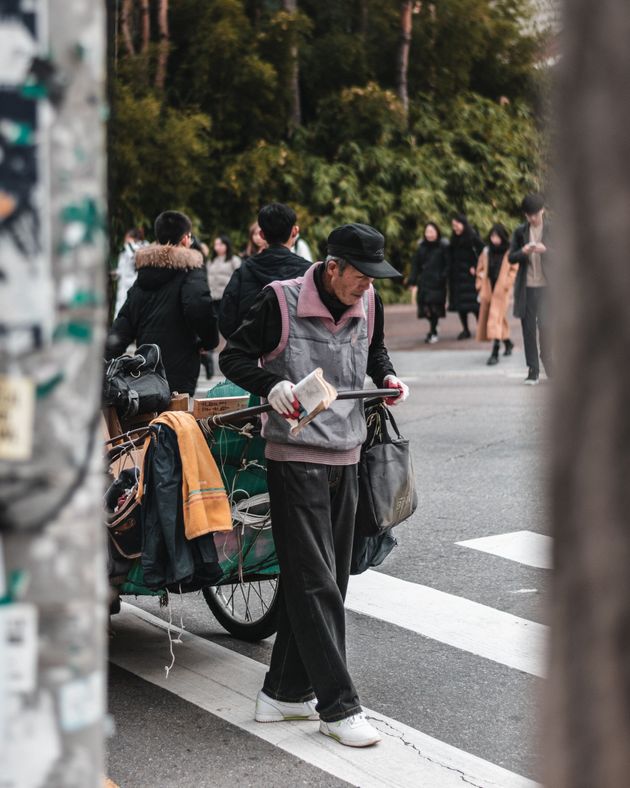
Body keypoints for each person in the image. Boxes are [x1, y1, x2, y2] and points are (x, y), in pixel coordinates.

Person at [219, 222, 409, 748]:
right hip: (294, 457)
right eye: (360, 277)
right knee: (313, 580)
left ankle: (282, 693)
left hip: (347, 456)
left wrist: (388, 380)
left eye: (374, 279)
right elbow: (232, 356)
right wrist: (270, 383)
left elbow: (376, 353)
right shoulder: (278, 301)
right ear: (332, 267)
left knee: (333, 579)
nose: (367, 287)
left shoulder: (369, 304)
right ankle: (338, 707)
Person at [106, 210, 218, 396]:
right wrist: (209, 341)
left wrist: (106, 358)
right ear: (185, 239)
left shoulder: (143, 276)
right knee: (175, 421)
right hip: (182, 362)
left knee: (150, 418)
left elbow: (124, 323)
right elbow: (198, 306)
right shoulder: (191, 270)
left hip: (146, 364)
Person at [219, 203, 310, 339]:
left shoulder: (244, 270)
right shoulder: (308, 272)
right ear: (295, 232)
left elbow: (226, 319)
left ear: (262, 234)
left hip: (252, 352)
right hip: (295, 354)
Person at [508, 193, 551, 385]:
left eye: (534, 214)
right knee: (528, 330)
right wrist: (523, 251)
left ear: (542, 210)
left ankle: (548, 362)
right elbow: (511, 257)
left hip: (548, 287)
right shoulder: (520, 232)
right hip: (527, 287)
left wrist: (547, 250)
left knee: (547, 327)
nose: (532, 218)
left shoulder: (553, 229)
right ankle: (532, 370)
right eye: (528, 215)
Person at [475, 223, 516, 365]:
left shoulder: (509, 252)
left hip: (501, 291)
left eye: (497, 236)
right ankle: (508, 343)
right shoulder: (486, 252)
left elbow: (514, 269)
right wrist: (480, 284)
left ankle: (495, 352)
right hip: (488, 289)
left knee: (494, 318)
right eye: (492, 236)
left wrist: (507, 283)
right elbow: (479, 268)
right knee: (498, 318)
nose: (494, 239)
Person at [407, 221, 449, 343]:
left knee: (434, 308)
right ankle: (434, 326)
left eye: (432, 231)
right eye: (427, 232)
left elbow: (448, 264)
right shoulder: (421, 248)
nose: (429, 234)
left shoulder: (443, 246)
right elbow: (415, 266)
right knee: (425, 309)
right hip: (424, 282)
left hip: (438, 283)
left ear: (437, 232)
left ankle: (433, 332)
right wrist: (412, 281)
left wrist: (443, 277)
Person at [447, 213, 484, 339]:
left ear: (463, 224)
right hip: (457, 277)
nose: (455, 227)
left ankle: (481, 327)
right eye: (453, 225)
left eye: (457, 224)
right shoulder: (453, 239)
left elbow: (484, 252)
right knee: (461, 307)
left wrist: (476, 265)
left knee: (474, 305)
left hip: (470, 277)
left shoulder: (472, 237)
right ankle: (465, 330)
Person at [112, 228, 146, 317]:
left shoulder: (143, 248)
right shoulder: (124, 253)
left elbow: (136, 257)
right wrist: (115, 273)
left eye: (127, 238)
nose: (125, 241)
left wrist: (130, 244)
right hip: (123, 291)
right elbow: (123, 270)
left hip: (134, 290)